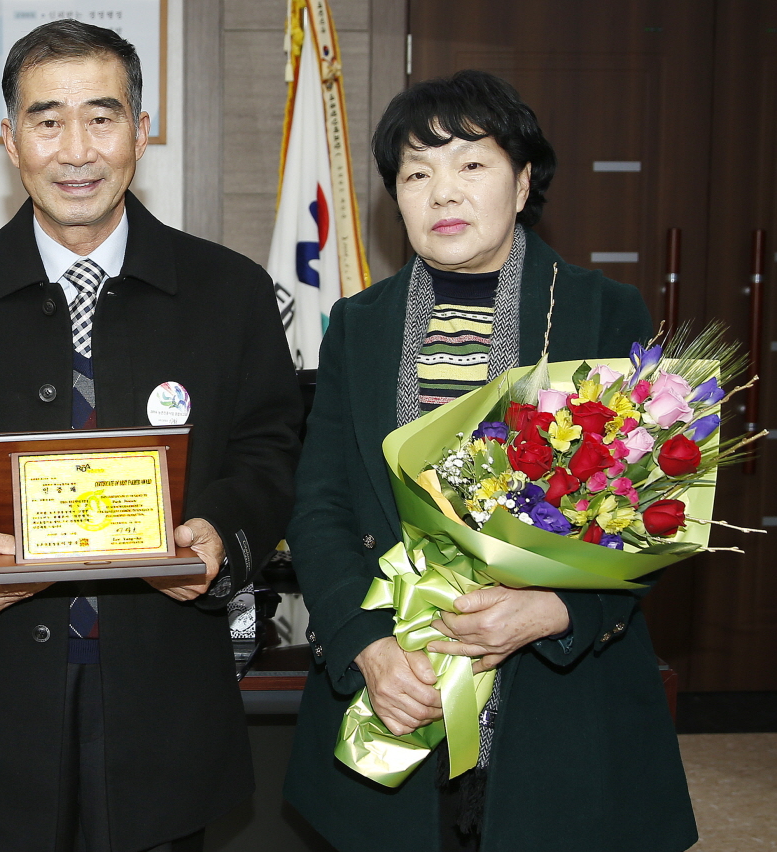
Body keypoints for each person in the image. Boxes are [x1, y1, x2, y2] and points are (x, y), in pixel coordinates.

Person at [0, 18, 304, 852]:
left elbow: (270, 445)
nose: (77, 149)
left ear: (142, 132)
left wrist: (220, 529)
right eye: (46, 119)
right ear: (9, 137)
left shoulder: (231, 292)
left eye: (102, 117)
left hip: (164, 698)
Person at [283, 70, 698, 852]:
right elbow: (321, 504)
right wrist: (368, 644)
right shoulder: (357, 326)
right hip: (399, 692)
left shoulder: (607, 310)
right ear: (395, 198)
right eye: (416, 173)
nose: (443, 192)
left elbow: (662, 509)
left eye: (471, 164)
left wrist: (560, 607)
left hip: (560, 702)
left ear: (523, 180)